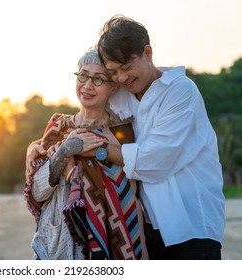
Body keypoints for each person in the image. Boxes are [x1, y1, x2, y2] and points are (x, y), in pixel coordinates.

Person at [27, 15, 226, 260]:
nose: (121, 78)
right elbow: (90, 105)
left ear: (148, 53)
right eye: (114, 71)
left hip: (191, 227)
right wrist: (37, 145)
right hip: (151, 228)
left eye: (126, 67)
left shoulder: (180, 92)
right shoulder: (126, 93)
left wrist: (100, 149)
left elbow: (154, 160)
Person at [24, 48, 148, 260]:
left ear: (113, 87)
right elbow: (37, 192)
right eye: (83, 76)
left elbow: (130, 199)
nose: (88, 85)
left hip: (107, 245)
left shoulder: (123, 134)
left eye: (98, 79)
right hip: (57, 246)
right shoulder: (57, 128)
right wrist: (65, 151)